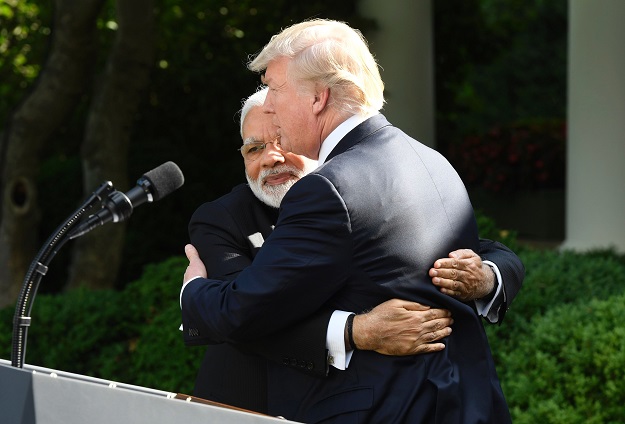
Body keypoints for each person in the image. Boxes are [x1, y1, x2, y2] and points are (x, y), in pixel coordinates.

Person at [182, 19, 517, 422]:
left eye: (274, 88)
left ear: (318, 98)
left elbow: (243, 311)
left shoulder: (329, 188)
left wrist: (193, 291)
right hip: (464, 406)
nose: (267, 105)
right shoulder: (434, 162)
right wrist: (358, 330)